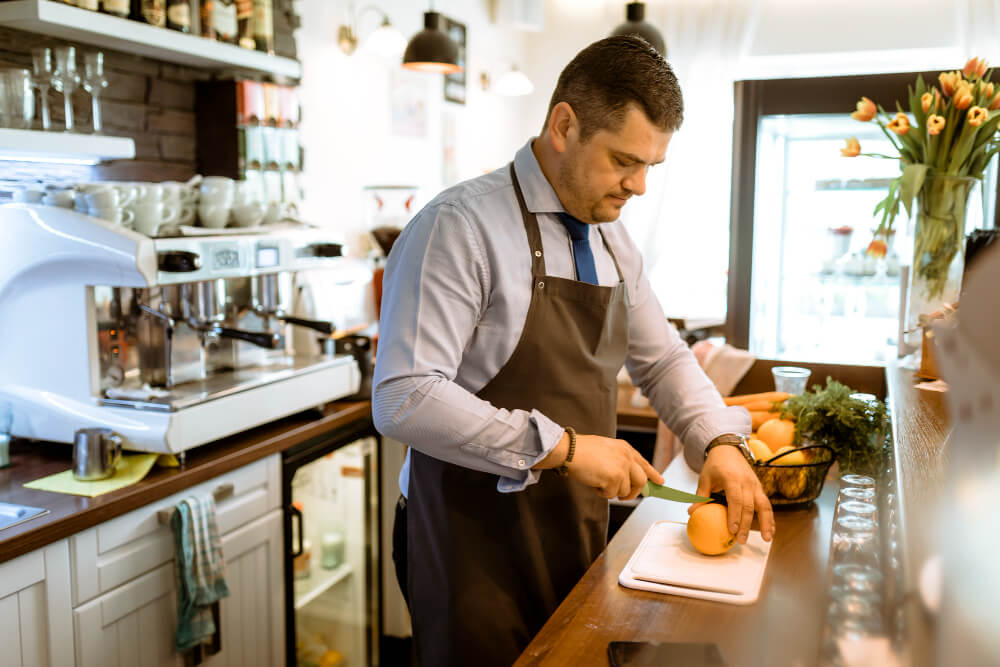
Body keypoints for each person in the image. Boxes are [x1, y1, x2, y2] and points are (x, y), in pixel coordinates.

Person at [373, 35, 775, 667]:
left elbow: (664, 359)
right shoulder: (459, 227)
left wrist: (718, 443)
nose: (639, 186)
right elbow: (404, 396)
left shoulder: (613, 242)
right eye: (624, 161)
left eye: (651, 167)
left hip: (571, 531)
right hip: (470, 545)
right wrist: (565, 448)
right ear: (564, 125)